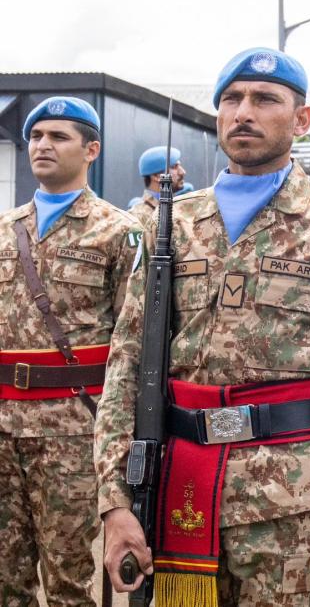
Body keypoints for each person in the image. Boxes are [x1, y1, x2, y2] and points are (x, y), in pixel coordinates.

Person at [97, 46, 310, 605]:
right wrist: (115, 502)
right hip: (181, 483)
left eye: (265, 99)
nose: (243, 113)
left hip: (292, 502)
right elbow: (127, 366)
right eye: (231, 100)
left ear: (302, 119)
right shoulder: (173, 224)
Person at [0, 97, 140, 605]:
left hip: (74, 429)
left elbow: (133, 341)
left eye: (59, 137)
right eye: (36, 136)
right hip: (3, 425)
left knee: (68, 581)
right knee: (5, 580)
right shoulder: (4, 229)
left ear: (91, 150)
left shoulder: (120, 232)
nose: (43, 145)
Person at [132, 145, 186, 229]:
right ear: (156, 176)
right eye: (174, 167)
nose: (182, 172)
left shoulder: (180, 208)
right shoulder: (138, 217)